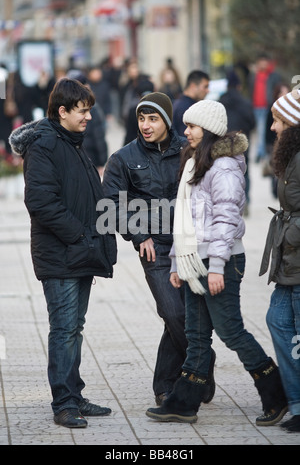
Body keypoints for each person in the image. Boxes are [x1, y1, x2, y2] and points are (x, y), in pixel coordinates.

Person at [146, 99, 287, 426]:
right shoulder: (198, 162)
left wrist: (217, 267)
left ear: (207, 130)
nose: (185, 132)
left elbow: (225, 220)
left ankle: (275, 391)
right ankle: (183, 402)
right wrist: (176, 264)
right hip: (196, 260)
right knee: (196, 334)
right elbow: (186, 221)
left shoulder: (222, 167)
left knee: (231, 331)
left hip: (220, 260)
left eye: (192, 126)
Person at [9, 78, 117, 428]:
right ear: (62, 111)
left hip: (77, 252)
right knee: (64, 328)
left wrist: (93, 243)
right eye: (82, 111)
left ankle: (74, 394)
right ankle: (64, 403)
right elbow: (41, 202)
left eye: (88, 111)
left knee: (74, 327)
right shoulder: (45, 146)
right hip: (61, 254)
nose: (88, 117)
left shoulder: (70, 143)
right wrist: (82, 238)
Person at [102, 92, 216, 406]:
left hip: (188, 245)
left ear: (166, 120)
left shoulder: (188, 149)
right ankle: (201, 364)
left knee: (186, 315)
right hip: (154, 249)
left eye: (152, 119)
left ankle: (172, 381)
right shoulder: (124, 158)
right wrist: (140, 235)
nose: (146, 125)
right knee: (173, 311)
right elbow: (112, 203)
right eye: (141, 118)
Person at [259, 88, 300, 433]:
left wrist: (292, 233)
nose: (273, 127)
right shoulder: (293, 154)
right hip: (291, 258)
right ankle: (296, 401)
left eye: (278, 120)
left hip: (298, 257)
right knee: (277, 320)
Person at [219, 69, 256, 215]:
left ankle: (229, 202)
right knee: (245, 172)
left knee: (225, 172)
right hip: (242, 140)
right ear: (239, 86)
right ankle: (244, 200)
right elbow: (252, 123)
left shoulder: (221, 101)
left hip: (224, 141)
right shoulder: (245, 102)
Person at [249, 54, 281, 162]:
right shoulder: (254, 76)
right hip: (256, 106)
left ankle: (261, 153)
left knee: (262, 130)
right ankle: (261, 151)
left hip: (267, 107)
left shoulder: (272, 75)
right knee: (259, 130)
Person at [172, 70, 210, 136]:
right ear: (193, 86)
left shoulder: (179, 102)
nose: (208, 91)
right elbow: (186, 138)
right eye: (205, 87)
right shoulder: (186, 107)